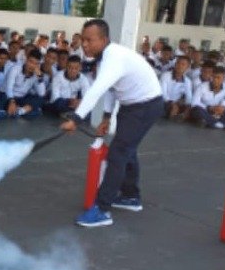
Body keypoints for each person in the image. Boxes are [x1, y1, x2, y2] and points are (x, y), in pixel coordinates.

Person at [61, 19, 163, 228]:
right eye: (83, 40)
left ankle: (102, 209)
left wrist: (76, 119)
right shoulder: (104, 58)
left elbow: (96, 89)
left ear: (104, 39)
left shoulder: (113, 58)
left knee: (118, 154)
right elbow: (111, 89)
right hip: (132, 105)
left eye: (89, 40)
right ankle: (131, 197)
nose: (84, 45)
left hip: (145, 106)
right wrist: (107, 117)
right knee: (127, 150)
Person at [5, 48, 46, 118]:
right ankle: (22, 111)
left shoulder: (36, 74)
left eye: (36, 64)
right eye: (31, 62)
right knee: (36, 112)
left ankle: (20, 111)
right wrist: (12, 101)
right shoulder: (15, 69)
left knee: (40, 99)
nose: (32, 65)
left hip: (22, 99)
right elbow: (8, 88)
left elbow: (41, 93)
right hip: (9, 98)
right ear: (26, 60)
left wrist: (39, 77)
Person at [160, 55, 192, 121]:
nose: (179, 66)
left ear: (187, 67)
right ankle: (174, 115)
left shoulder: (187, 81)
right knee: (161, 106)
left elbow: (189, 98)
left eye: (183, 64)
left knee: (193, 108)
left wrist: (188, 108)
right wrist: (172, 104)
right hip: (165, 102)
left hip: (177, 104)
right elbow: (163, 94)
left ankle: (180, 116)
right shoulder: (166, 75)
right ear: (175, 64)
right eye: (178, 63)